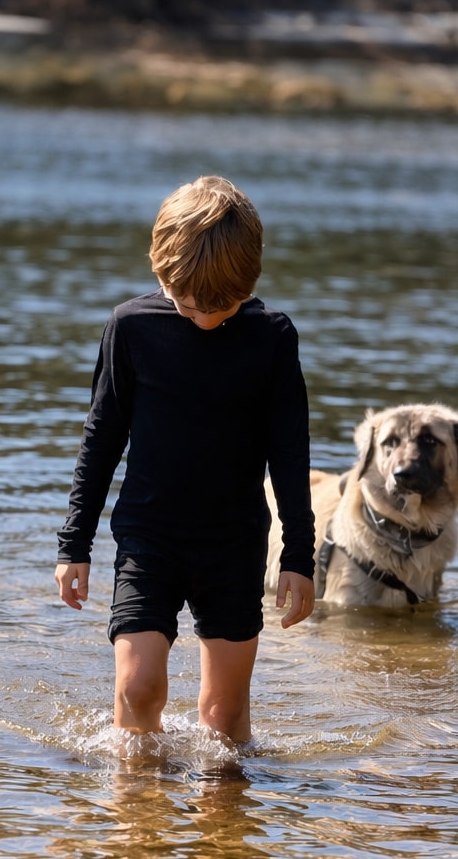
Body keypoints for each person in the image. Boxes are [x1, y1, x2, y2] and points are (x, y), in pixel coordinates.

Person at [54, 174, 315, 745]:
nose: (200, 319)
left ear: (248, 283)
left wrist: (299, 554)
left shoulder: (271, 339)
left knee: (223, 719)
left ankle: (219, 819)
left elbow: (290, 452)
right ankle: (137, 823)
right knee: (138, 689)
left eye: (219, 307)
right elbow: (101, 439)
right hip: (150, 537)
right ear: (161, 273)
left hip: (234, 544)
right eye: (187, 304)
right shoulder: (131, 329)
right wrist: (75, 544)